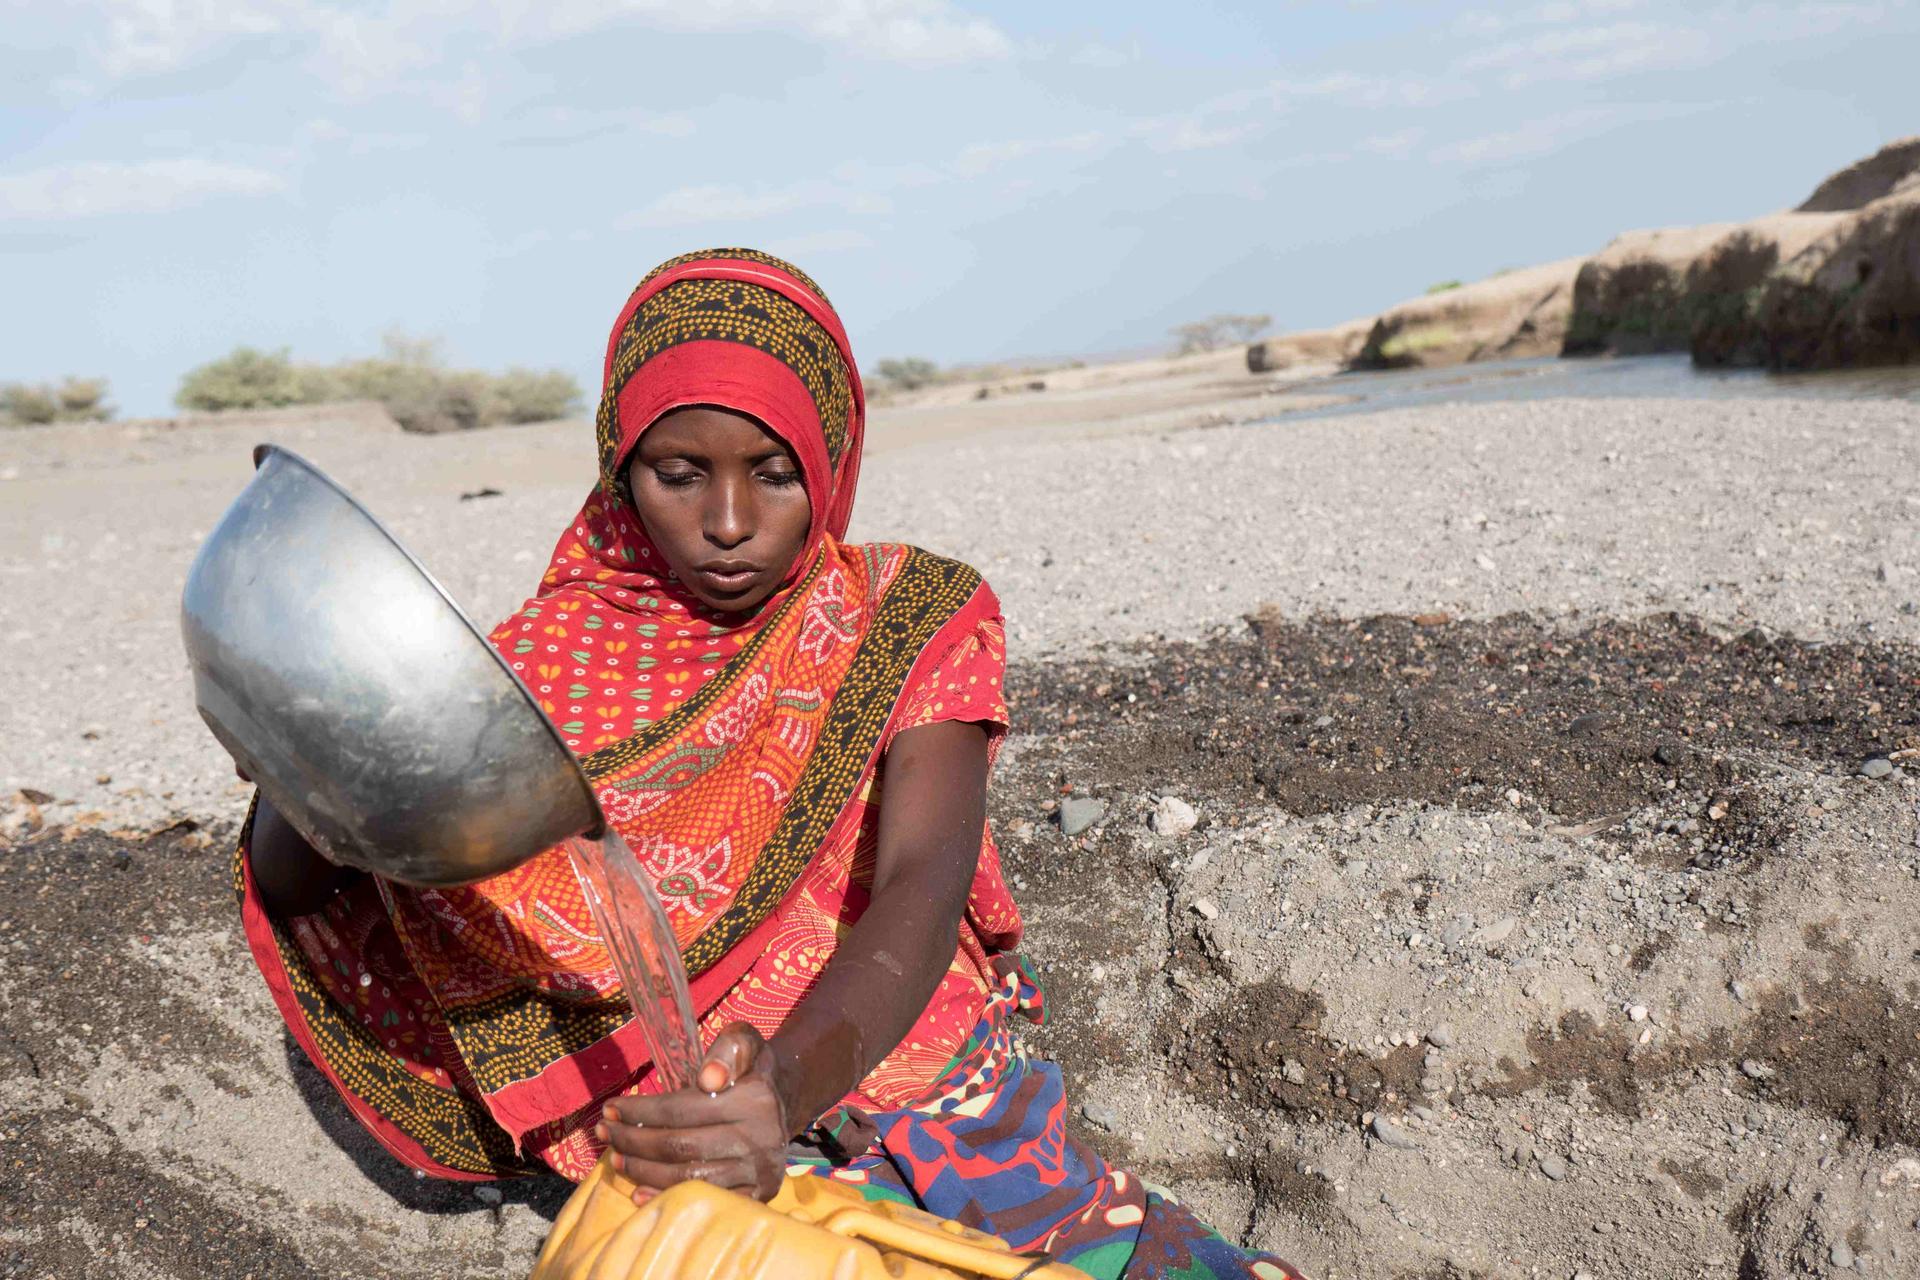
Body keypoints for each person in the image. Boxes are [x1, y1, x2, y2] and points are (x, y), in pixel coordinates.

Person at [234, 248, 1303, 1279]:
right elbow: (313, 876)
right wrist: (308, 735)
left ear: (830, 461)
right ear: (621, 465)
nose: (731, 523)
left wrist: (782, 1089)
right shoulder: (515, 678)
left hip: (913, 1078)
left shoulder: (901, 615)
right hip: (678, 1146)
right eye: (680, 473)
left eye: (776, 473)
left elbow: (925, 887)